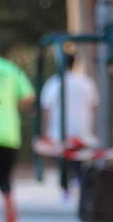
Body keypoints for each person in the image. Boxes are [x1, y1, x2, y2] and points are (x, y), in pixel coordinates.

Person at [39, 54, 98, 196]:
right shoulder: (85, 82)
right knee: (78, 159)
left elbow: (46, 108)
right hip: (82, 128)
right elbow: (94, 106)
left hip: (59, 130)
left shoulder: (54, 83)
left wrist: (44, 131)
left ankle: (66, 188)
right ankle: (80, 183)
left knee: (64, 158)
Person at [0, 55, 35, 222]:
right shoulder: (11, 69)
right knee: (3, 176)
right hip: (8, 131)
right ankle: (9, 204)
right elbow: (28, 98)